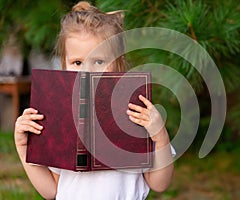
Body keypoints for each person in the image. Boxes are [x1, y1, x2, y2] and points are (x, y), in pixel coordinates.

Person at [14, 1, 174, 199]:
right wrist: (23, 148)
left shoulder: (136, 113)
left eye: (98, 61)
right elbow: (51, 191)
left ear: (119, 63)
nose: (86, 71)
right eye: (77, 62)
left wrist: (160, 137)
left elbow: (160, 183)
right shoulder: (60, 119)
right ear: (64, 64)